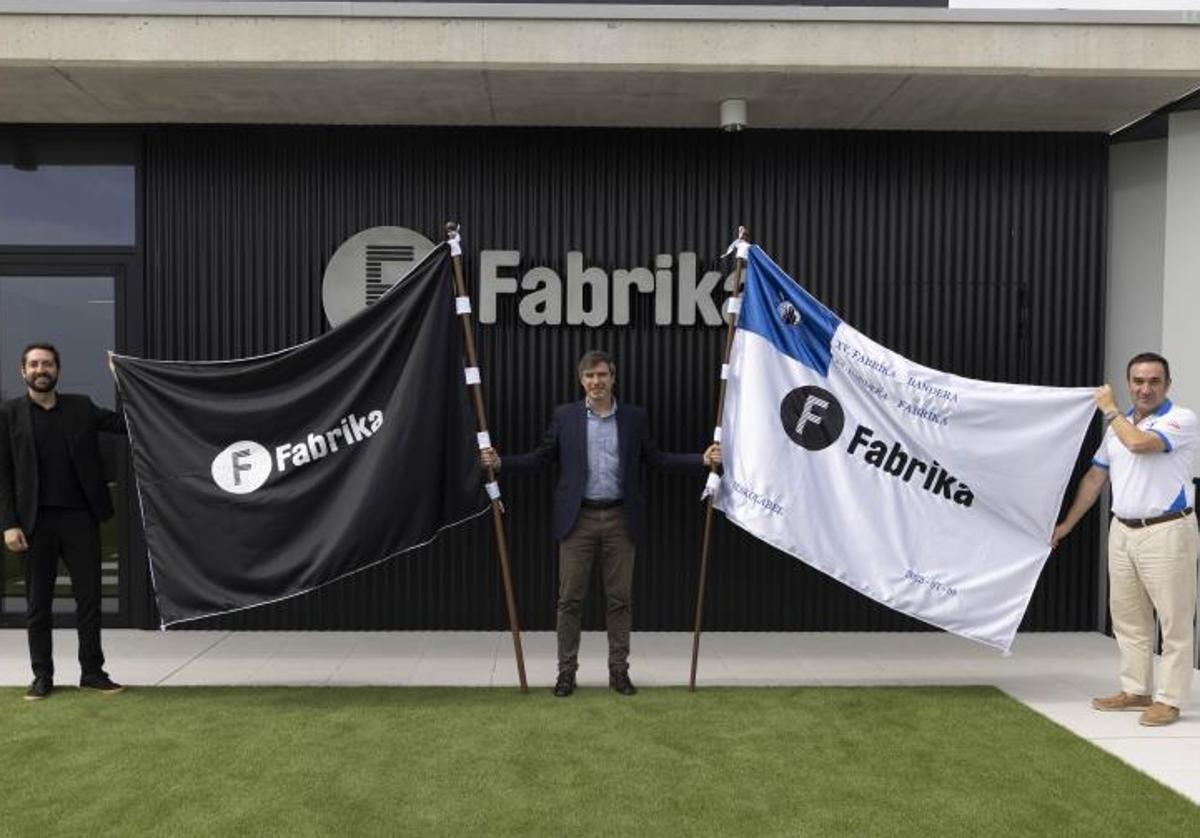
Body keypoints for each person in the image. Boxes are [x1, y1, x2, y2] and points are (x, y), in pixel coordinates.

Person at [481, 349, 720, 697]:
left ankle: (619, 672)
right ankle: (566, 673)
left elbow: (657, 459)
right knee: (569, 601)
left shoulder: (635, 418)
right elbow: (541, 458)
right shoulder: (566, 417)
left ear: (613, 378)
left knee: (619, 600)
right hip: (577, 521)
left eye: (602, 375)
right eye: (590, 376)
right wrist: (500, 463)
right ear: (581, 380)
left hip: (622, 519)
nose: (596, 382)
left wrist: (700, 459)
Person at [1052, 352, 1197, 727]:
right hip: (1123, 530)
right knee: (1129, 618)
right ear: (1129, 382)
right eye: (1137, 381)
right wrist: (1066, 525)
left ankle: (1169, 699)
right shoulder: (1119, 426)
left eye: (1153, 381)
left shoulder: (1181, 419)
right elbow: (1095, 478)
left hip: (1167, 530)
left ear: (1167, 384)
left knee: (1174, 620)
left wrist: (1110, 410)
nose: (1144, 388)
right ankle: (1136, 690)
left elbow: (1139, 445)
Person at [0, 344, 127, 701]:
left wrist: (123, 379)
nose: (42, 369)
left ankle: (92, 672)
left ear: (58, 369)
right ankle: (42, 676)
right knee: (38, 604)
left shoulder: (81, 407)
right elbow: (4, 475)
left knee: (89, 600)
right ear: (22, 370)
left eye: (48, 364)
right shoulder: (9, 415)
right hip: (33, 523)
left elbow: (125, 423)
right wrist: (9, 523)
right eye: (35, 364)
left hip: (80, 519)